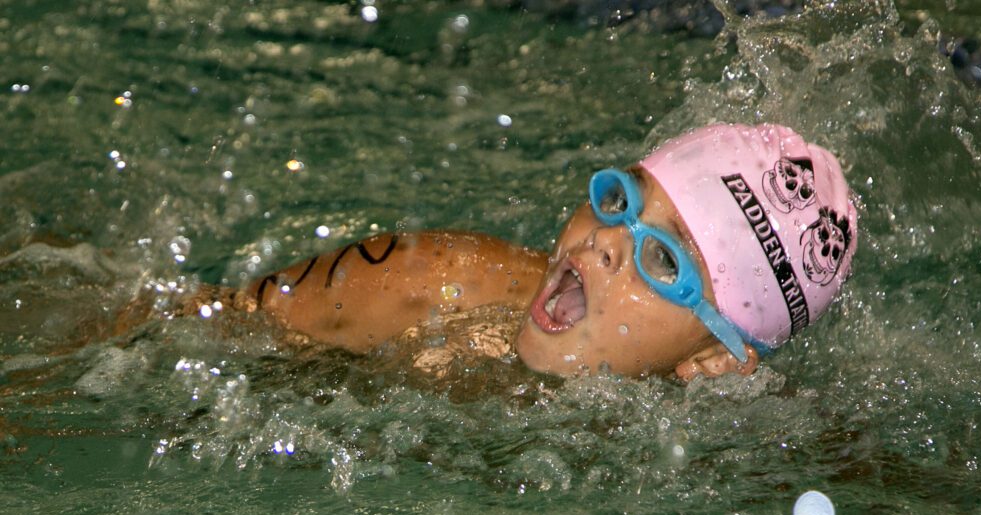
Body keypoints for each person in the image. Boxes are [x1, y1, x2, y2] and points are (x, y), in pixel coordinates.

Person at [231, 123, 856, 381]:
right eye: (622, 201)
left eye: (664, 260)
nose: (606, 241)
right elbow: (183, 328)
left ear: (718, 357)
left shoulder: (754, 452)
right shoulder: (426, 283)